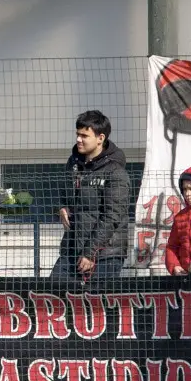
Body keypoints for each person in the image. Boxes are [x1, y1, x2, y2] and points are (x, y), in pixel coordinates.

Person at [52, 110, 131, 283]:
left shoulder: (115, 172)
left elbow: (112, 216)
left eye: (84, 135)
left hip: (105, 255)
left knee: (96, 306)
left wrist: (90, 253)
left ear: (100, 138)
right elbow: (63, 195)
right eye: (77, 134)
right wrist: (61, 208)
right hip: (71, 250)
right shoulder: (72, 164)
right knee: (53, 294)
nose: (78, 139)